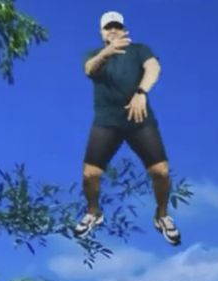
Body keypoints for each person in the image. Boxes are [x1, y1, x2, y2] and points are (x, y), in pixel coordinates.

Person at [75, 11, 180, 246]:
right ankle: (94, 212)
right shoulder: (94, 54)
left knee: (161, 173)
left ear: (123, 30)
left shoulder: (139, 50)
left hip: (138, 120)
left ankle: (162, 216)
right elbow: (90, 69)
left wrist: (141, 92)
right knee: (89, 175)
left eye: (116, 26)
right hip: (106, 123)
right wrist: (107, 53)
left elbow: (153, 68)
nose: (112, 30)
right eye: (107, 27)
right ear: (101, 33)